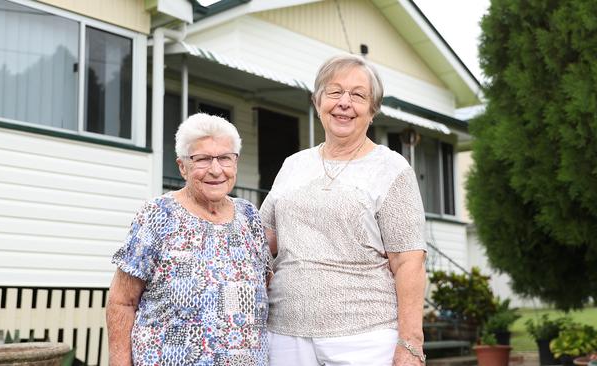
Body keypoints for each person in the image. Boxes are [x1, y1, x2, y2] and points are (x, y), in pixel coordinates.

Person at [260, 54, 428, 366]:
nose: (344, 103)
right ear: (317, 101)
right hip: (284, 332)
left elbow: (409, 263)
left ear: (373, 109)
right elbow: (261, 240)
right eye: (334, 92)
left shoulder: (391, 169)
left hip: (364, 338)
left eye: (358, 95)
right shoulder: (293, 165)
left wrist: (411, 343)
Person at [106, 113, 271, 366]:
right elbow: (122, 301)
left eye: (225, 158)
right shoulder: (158, 215)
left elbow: (266, 286)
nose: (216, 170)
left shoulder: (249, 217)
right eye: (202, 159)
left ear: (235, 163)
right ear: (182, 166)